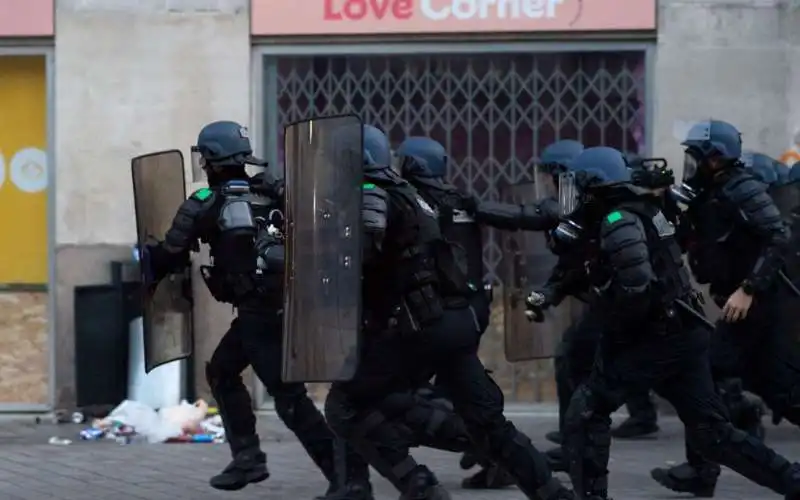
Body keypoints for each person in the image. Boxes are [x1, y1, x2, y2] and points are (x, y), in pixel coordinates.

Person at [324, 124, 576, 500]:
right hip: (452, 323)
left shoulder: (373, 195)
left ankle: (422, 488)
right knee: (489, 423)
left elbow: (361, 251)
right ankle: (553, 493)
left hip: (415, 327)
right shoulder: (421, 196)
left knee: (345, 404)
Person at [140, 121, 370, 499]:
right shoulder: (273, 191)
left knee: (288, 398)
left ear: (211, 160)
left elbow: (169, 253)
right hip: (289, 306)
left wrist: (147, 260)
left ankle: (342, 479)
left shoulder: (204, 203)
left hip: (258, 316)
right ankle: (249, 458)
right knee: (223, 371)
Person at [558, 144, 800, 500]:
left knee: (587, 410)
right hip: (685, 331)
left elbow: (637, 285)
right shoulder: (646, 209)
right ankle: (791, 481)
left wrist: (617, 328)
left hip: (660, 335)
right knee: (712, 433)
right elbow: (674, 239)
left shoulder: (618, 219)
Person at [649, 119, 800, 497]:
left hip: (759, 306)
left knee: (710, 376)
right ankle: (705, 465)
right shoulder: (707, 192)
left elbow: (778, 236)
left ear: (714, 159)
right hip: (742, 309)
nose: (690, 164)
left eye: (695, 157)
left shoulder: (743, 188)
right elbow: (681, 236)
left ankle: (705, 468)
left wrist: (748, 288)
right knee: (770, 388)